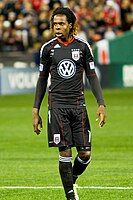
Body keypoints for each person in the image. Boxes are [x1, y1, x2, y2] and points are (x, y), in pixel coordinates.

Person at [32, 7, 106, 200]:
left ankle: (70, 179)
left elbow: (91, 75)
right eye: (55, 24)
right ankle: (71, 195)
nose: (57, 27)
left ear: (70, 25)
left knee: (85, 154)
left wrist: (101, 103)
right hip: (56, 106)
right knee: (64, 151)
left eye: (61, 23)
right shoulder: (47, 49)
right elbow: (41, 80)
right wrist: (35, 110)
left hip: (78, 105)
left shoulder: (82, 47)